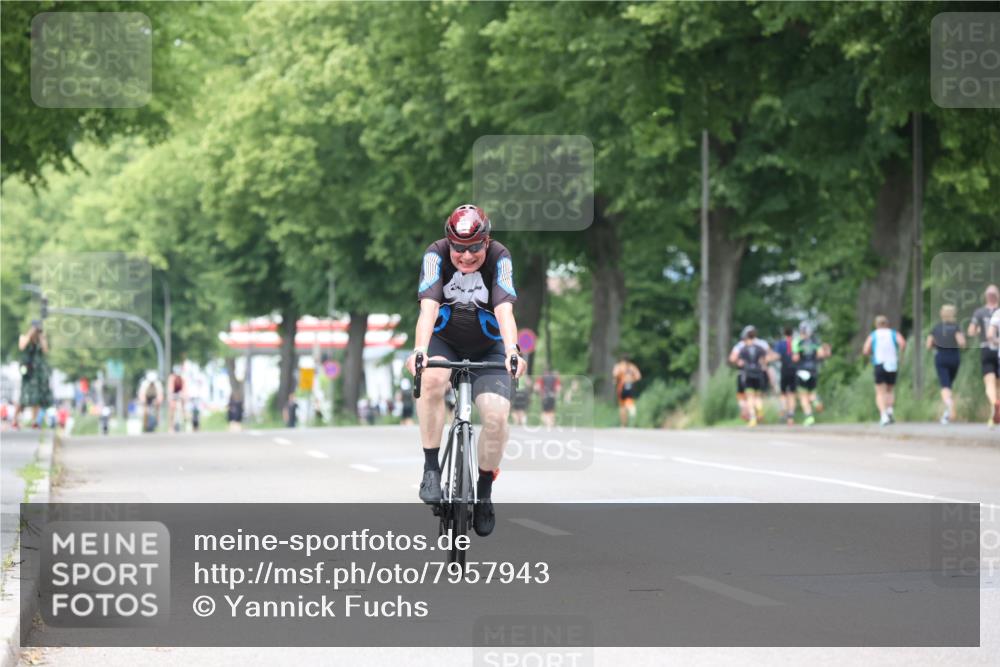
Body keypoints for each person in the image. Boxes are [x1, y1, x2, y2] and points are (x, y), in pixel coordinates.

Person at [406, 204, 525, 538]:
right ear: (449, 243)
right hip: (445, 341)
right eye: (459, 248)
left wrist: (513, 350)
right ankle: (431, 469)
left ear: (486, 242)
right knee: (431, 380)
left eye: (475, 247)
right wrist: (419, 350)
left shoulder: (501, 257)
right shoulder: (435, 255)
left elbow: (504, 309)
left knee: (497, 417)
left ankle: (484, 491)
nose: (467, 256)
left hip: (489, 346)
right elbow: (427, 309)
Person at [862, 314, 907, 426]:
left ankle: (884, 415)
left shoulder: (874, 335)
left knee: (880, 392)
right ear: (887, 324)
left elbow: (865, 349)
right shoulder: (893, 333)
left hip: (880, 364)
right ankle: (889, 410)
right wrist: (900, 354)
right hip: (892, 363)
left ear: (876, 324)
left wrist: (870, 353)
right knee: (890, 390)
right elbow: (902, 343)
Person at [927, 304, 966, 424]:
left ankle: (949, 406)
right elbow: (962, 343)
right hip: (954, 356)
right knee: (949, 383)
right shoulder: (956, 327)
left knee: (945, 384)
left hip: (941, 356)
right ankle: (949, 409)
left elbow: (928, 345)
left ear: (941, 314)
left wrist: (935, 344)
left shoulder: (936, 328)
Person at [729, 326, 774, 427]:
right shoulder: (761, 346)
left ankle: (752, 417)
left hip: (747, 374)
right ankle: (759, 409)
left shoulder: (742, 347)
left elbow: (734, 359)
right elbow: (768, 358)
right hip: (759, 373)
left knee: (749, 397)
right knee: (758, 396)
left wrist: (739, 362)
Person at [968, 285, 999, 427]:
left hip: (986, 348)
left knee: (989, 383)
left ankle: (994, 404)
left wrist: (979, 329)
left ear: (986, 297)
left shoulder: (979, 312)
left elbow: (971, 331)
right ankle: (995, 413)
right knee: (998, 385)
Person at [14, 321, 53, 429]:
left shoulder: (40, 340)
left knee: (36, 398)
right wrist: (30, 333)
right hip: (27, 371)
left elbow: (45, 350)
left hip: (38, 372)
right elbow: (22, 346)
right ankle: (15, 419)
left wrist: (41, 337)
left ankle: (35, 421)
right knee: (23, 397)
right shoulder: (24, 337)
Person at [792, 322, 831, 426]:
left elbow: (795, 358)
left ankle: (809, 417)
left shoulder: (797, 341)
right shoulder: (815, 341)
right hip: (813, 370)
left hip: (801, 370)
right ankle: (816, 402)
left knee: (803, 396)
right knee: (812, 393)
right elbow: (821, 355)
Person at [773, 327, 798, 425]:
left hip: (784, 370)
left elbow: (776, 356)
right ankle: (790, 416)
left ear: (784, 334)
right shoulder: (796, 343)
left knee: (783, 393)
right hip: (794, 370)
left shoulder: (780, 344)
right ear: (792, 334)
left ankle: (783, 408)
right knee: (792, 394)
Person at [613, 355, 642, 427]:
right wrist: (632, 380)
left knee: (622, 406)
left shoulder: (619, 366)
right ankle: (633, 417)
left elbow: (615, 375)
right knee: (630, 402)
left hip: (621, 387)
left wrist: (617, 380)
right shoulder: (632, 367)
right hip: (630, 386)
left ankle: (623, 424)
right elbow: (638, 376)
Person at [166, 366, 187, 433]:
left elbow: (185, 388)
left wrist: (184, 396)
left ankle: (184, 425)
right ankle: (170, 426)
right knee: (172, 408)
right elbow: (170, 389)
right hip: (173, 394)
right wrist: (171, 397)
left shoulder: (182, 378)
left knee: (183, 407)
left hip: (180, 393)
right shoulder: (171, 378)